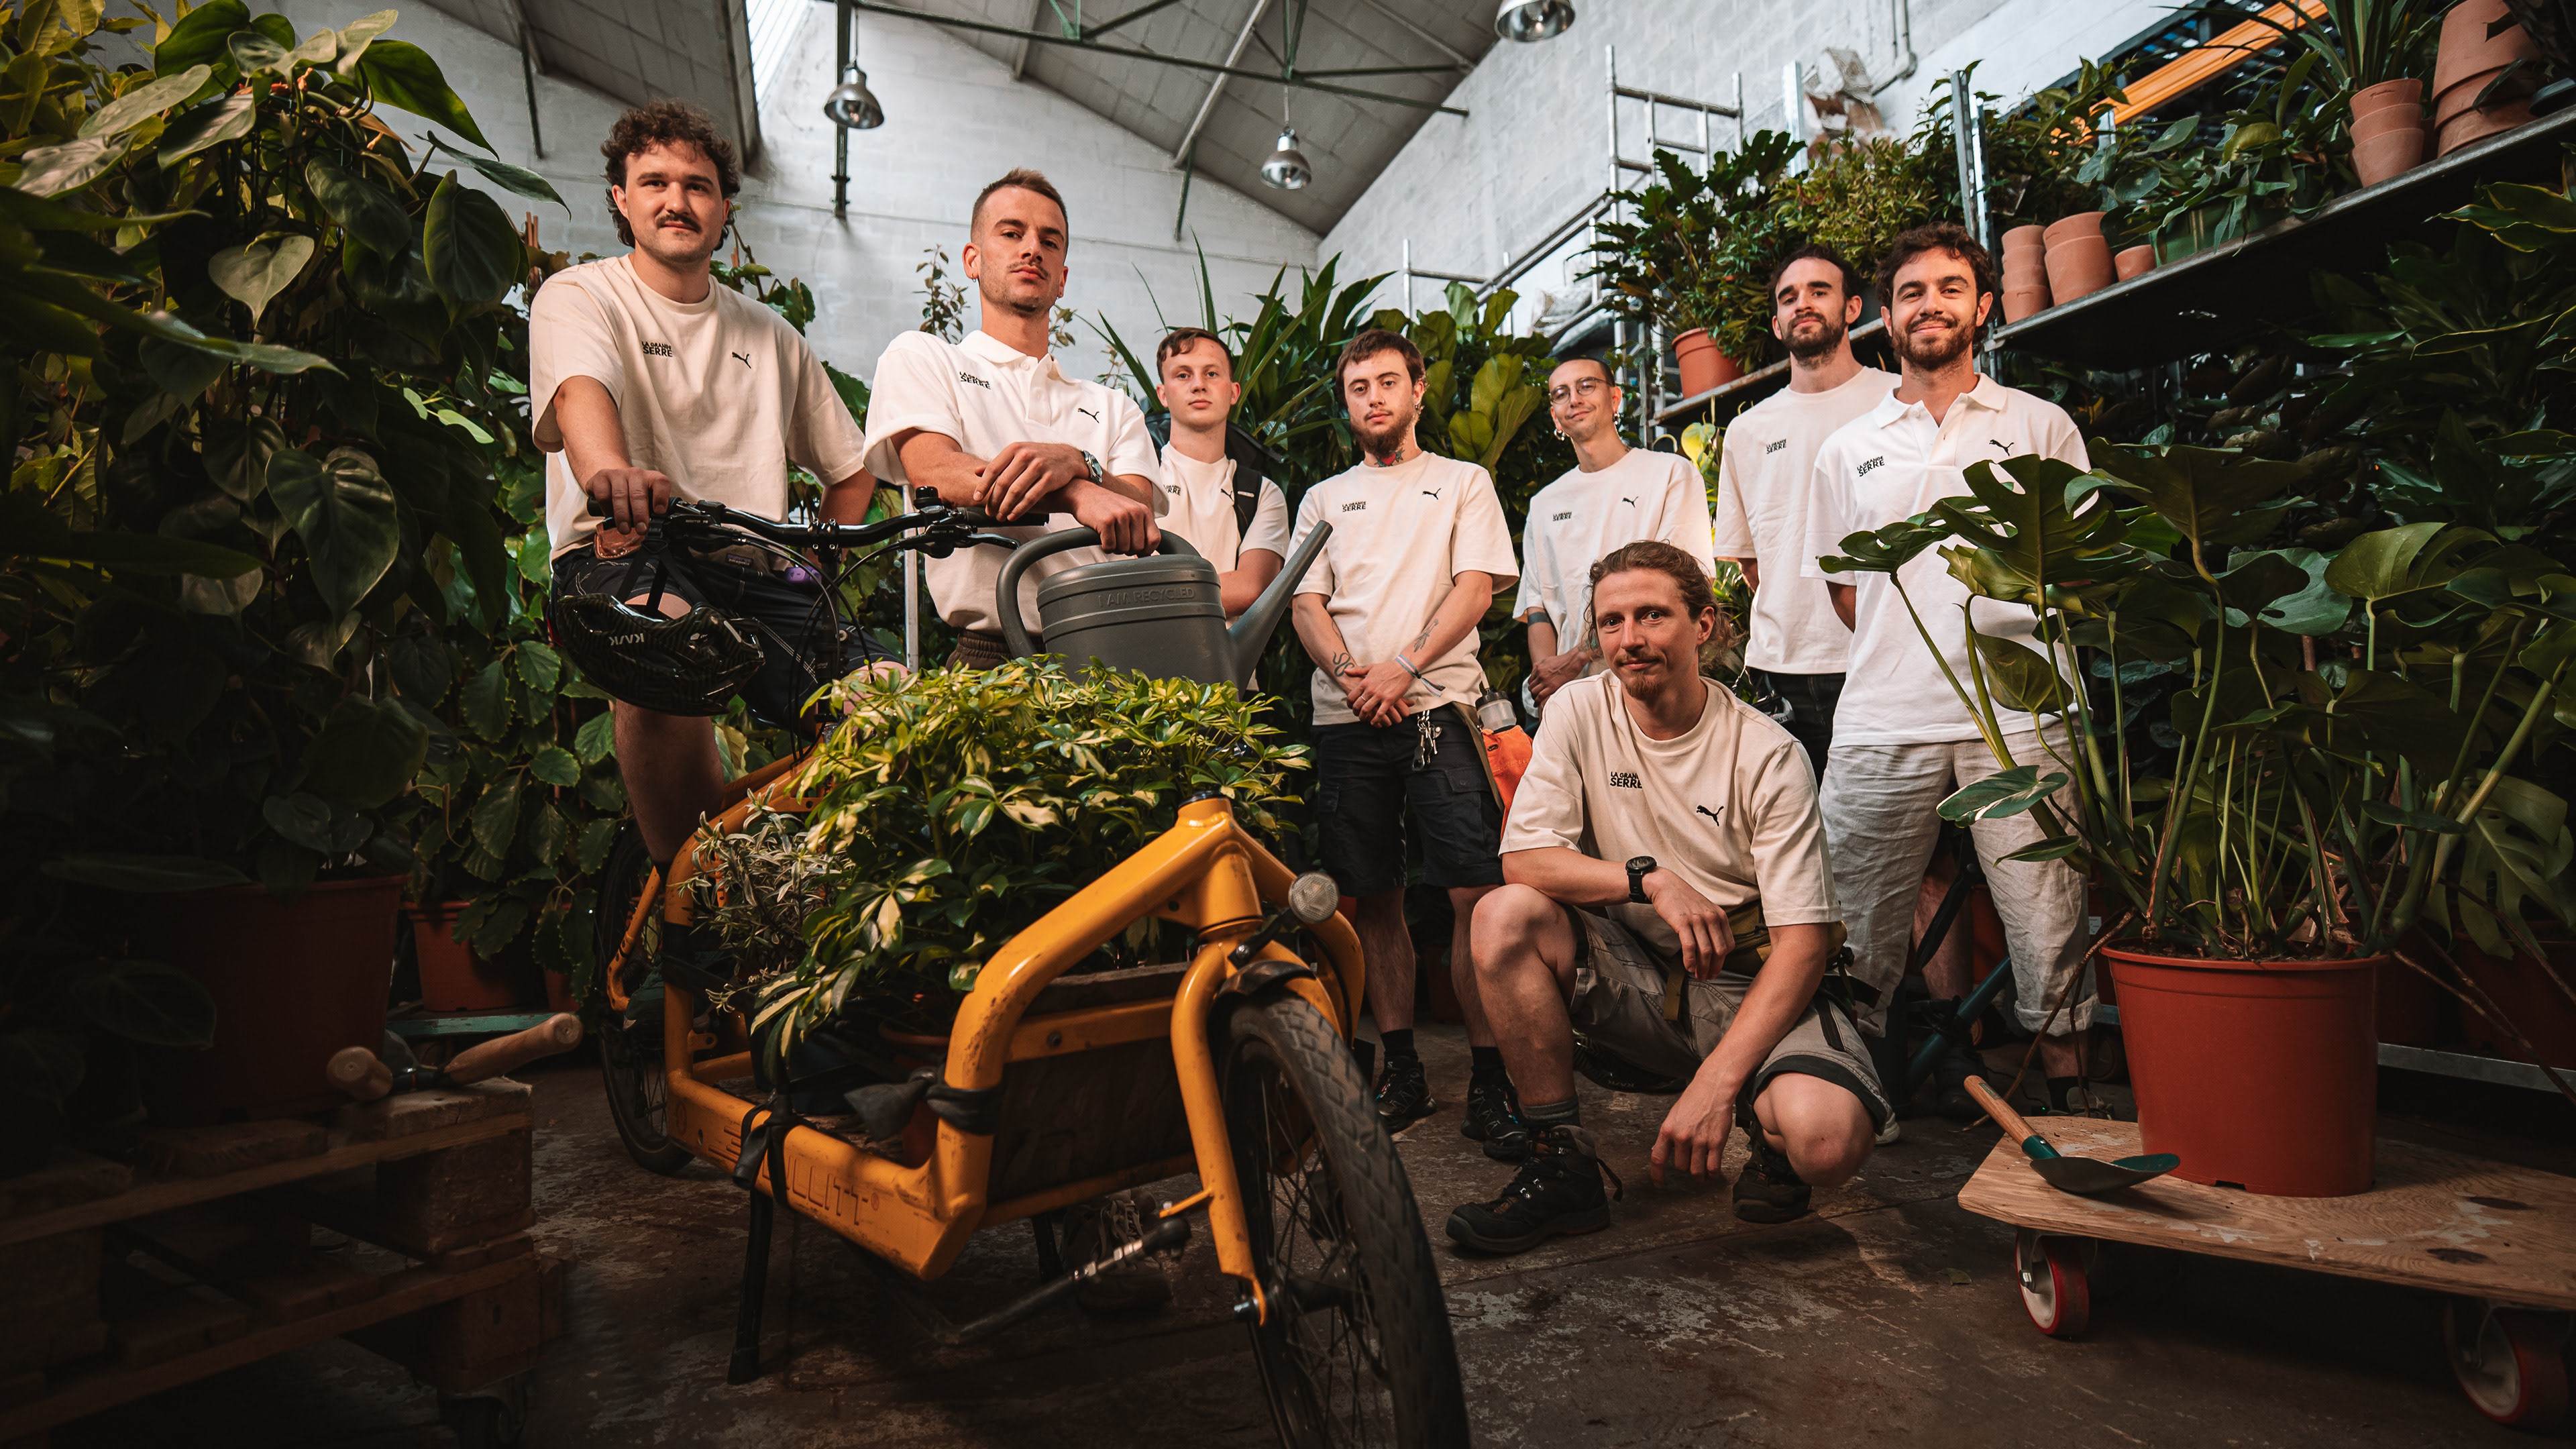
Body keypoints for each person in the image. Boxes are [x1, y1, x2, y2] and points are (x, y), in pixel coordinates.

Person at [1447, 541, 1887, 1254]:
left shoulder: (1767, 753)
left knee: (1827, 1143)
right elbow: (1523, 859)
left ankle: (1765, 1119)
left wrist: (1716, 1083)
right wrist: (1647, 879)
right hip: (1641, 974)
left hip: (1752, 981)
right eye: (1612, 622)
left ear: (1703, 624)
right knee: (1503, 915)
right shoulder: (1579, 711)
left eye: (1653, 615)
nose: (1630, 639)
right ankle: (1561, 1165)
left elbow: (1804, 946)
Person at [535, 100, 883, 877]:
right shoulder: (582, 295)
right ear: (621, 199)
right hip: (629, 549)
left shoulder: (772, 335)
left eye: (697, 186)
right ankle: (689, 896)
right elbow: (581, 392)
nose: (677, 200)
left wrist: (817, 563)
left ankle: (821, 893)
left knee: (888, 697)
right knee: (668, 650)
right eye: (654, 182)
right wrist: (609, 473)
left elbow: (852, 467)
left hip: (754, 569)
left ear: (725, 209)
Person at [1800, 221, 2097, 1110]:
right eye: (1912, 293)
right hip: (1884, 715)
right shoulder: (1845, 449)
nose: (1930, 305)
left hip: (2022, 714)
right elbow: (1848, 590)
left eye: (1950, 288)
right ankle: (1845, 1098)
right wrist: (1910, 638)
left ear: (1984, 306)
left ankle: (2071, 1098)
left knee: (2047, 915)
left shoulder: (2041, 426)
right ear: (1886, 318)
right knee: (1852, 920)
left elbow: (2076, 566)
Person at [1288, 329, 1522, 1150]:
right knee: (1374, 896)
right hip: (1346, 718)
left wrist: (1404, 668)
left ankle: (1491, 1080)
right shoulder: (1323, 497)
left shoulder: (1462, 482)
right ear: (1347, 402)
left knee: (1473, 894)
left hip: (1441, 710)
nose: (1375, 398)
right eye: (1359, 387)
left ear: (1418, 390)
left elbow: (1476, 589)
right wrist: (1355, 676)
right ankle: (1404, 1070)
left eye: (1389, 382)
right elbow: (1305, 603)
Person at [861, 169, 1163, 667]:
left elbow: (1138, 509)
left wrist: (1078, 461)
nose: (1032, 249)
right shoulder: (923, 357)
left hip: (1111, 659)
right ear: (972, 259)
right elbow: (937, 471)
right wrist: (1076, 491)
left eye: (1050, 241)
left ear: (1062, 279)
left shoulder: (1114, 406)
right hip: (993, 656)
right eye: (1011, 233)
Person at [1709, 245, 1896, 778]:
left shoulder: (1899, 402)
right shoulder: (1748, 431)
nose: (1803, 304)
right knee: (1803, 823)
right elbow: (1750, 560)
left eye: (1819, 290)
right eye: (1789, 297)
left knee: (1909, 827)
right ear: (1777, 323)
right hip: (1786, 670)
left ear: (1853, 307)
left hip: (1889, 658)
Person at [1515, 357, 1715, 714]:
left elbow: (1683, 588)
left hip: (1655, 687)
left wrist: (1576, 659)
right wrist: (1549, 688)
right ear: (1555, 417)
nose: (1574, 399)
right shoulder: (1544, 504)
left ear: (1615, 399)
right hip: (1577, 702)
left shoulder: (1670, 474)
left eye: (1586, 386)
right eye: (1561, 393)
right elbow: (1538, 609)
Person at [1150, 327, 1290, 627]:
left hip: (1228, 658)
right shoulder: (1139, 478)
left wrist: (1155, 593)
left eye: (1212, 373)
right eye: (1183, 375)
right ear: (1163, 394)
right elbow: (1120, 579)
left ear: (1234, 391)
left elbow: (1251, 589)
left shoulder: (1261, 494)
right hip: (1141, 657)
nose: (1199, 385)